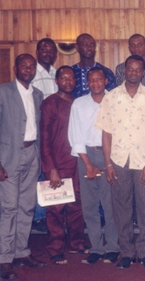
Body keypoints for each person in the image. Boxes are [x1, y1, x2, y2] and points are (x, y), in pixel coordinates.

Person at [95, 55, 145, 270]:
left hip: (144, 163)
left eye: (138, 69)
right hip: (119, 162)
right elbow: (106, 133)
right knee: (121, 209)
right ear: (124, 71)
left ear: (143, 72)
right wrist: (108, 165)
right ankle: (126, 253)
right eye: (130, 69)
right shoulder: (111, 98)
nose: (133, 72)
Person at [0, 54, 46, 280]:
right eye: (24, 65)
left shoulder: (37, 94)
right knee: (9, 208)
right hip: (8, 158)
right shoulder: (3, 91)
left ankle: (21, 251)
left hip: (31, 155)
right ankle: (5, 258)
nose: (28, 69)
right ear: (15, 68)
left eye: (32, 66)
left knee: (27, 207)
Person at [68, 67, 120, 265]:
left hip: (111, 156)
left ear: (106, 81)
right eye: (92, 80)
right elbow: (76, 136)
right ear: (87, 83)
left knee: (110, 205)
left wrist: (109, 162)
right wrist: (88, 164)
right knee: (89, 206)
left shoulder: (115, 101)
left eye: (99, 79)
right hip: (86, 156)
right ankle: (97, 248)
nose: (96, 83)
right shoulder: (79, 104)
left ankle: (113, 247)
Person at [40, 66, 87, 265]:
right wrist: (51, 168)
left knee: (77, 205)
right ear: (57, 81)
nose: (68, 81)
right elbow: (44, 138)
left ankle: (76, 242)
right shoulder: (50, 103)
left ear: (75, 81)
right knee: (56, 207)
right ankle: (56, 247)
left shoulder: (79, 103)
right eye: (64, 78)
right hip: (57, 163)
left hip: (78, 162)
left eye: (71, 78)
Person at [31, 38, 59, 233]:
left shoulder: (57, 74)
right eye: (44, 49)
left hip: (55, 132)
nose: (48, 53)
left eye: (51, 50)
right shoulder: (32, 74)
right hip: (37, 130)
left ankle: (51, 214)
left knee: (52, 171)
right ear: (37, 51)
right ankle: (39, 216)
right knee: (40, 173)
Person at [72, 33, 116, 98]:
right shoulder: (71, 72)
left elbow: (113, 96)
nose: (89, 48)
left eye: (92, 45)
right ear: (77, 47)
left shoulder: (106, 72)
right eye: (85, 45)